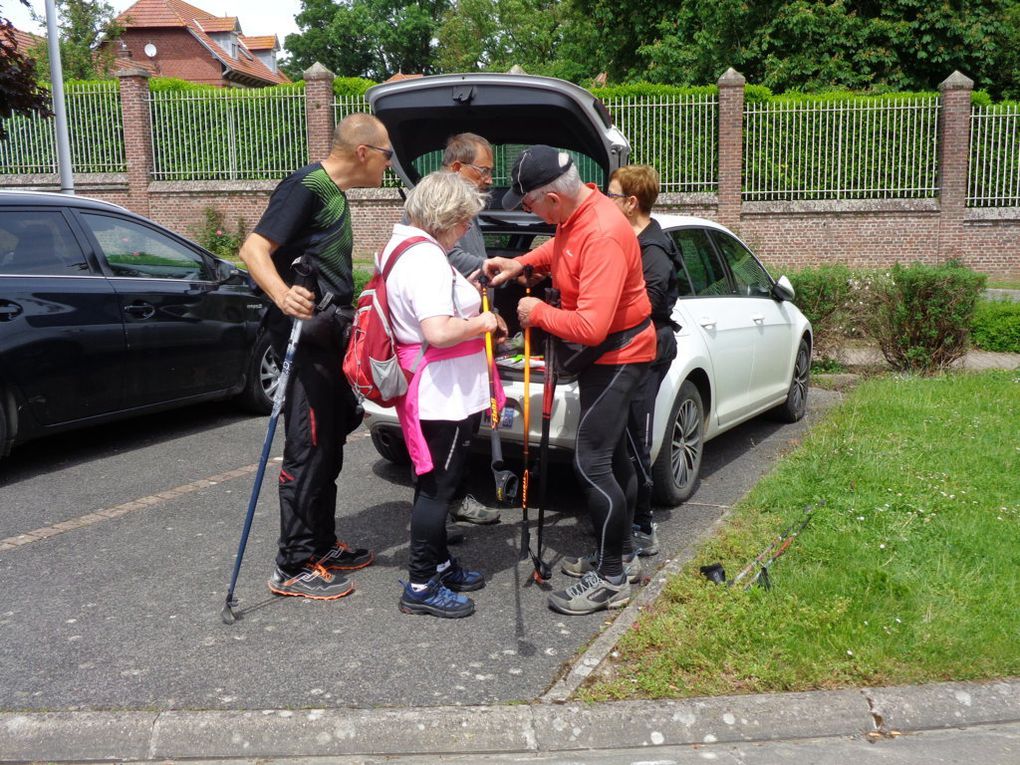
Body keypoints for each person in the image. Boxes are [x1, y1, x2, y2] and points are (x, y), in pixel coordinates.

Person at [484, 145, 655, 616]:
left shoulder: (601, 232)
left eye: (528, 205)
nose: (528, 213)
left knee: (591, 462)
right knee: (615, 458)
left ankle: (611, 580)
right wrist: (524, 264)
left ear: (552, 200)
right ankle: (620, 556)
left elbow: (591, 326)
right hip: (608, 355)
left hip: (618, 355)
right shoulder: (579, 212)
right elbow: (561, 245)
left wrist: (537, 310)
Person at [239, 113, 392, 600]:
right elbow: (253, 249)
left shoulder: (335, 193)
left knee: (330, 446)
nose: (390, 165)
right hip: (301, 342)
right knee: (307, 449)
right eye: (386, 154)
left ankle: (320, 544)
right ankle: (293, 563)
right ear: (364, 151)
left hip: (330, 337)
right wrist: (284, 296)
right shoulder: (307, 185)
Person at [384, 171, 497, 618]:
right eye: (464, 219)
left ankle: (440, 563)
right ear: (444, 217)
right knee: (437, 490)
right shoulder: (426, 259)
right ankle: (420, 584)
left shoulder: (406, 246)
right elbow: (438, 330)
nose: (468, 228)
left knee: (433, 484)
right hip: (441, 393)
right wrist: (484, 323)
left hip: (439, 387)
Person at [608, 165, 682, 558]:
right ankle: (620, 517)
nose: (607, 200)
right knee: (620, 436)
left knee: (637, 437)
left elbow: (649, 303)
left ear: (631, 202)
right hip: (630, 347)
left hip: (650, 350)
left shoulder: (652, 248)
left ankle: (642, 526)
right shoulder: (626, 238)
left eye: (613, 194)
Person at [440, 133, 502, 527]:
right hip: (448, 334)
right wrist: (491, 267)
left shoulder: (463, 202)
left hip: (470, 328)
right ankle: (446, 505)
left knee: (467, 421)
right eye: (484, 171)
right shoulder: (440, 204)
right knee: (449, 428)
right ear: (459, 167)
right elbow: (448, 255)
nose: (488, 180)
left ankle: (451, 500)